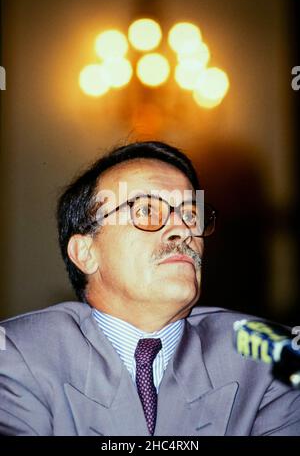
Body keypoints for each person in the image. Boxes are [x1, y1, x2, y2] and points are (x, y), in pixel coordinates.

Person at [0, 141, 299, 436]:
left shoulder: (274, 354)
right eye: (146, 211)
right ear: (85, 253)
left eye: (191, 215)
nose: (183, 230)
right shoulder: (16, 354)